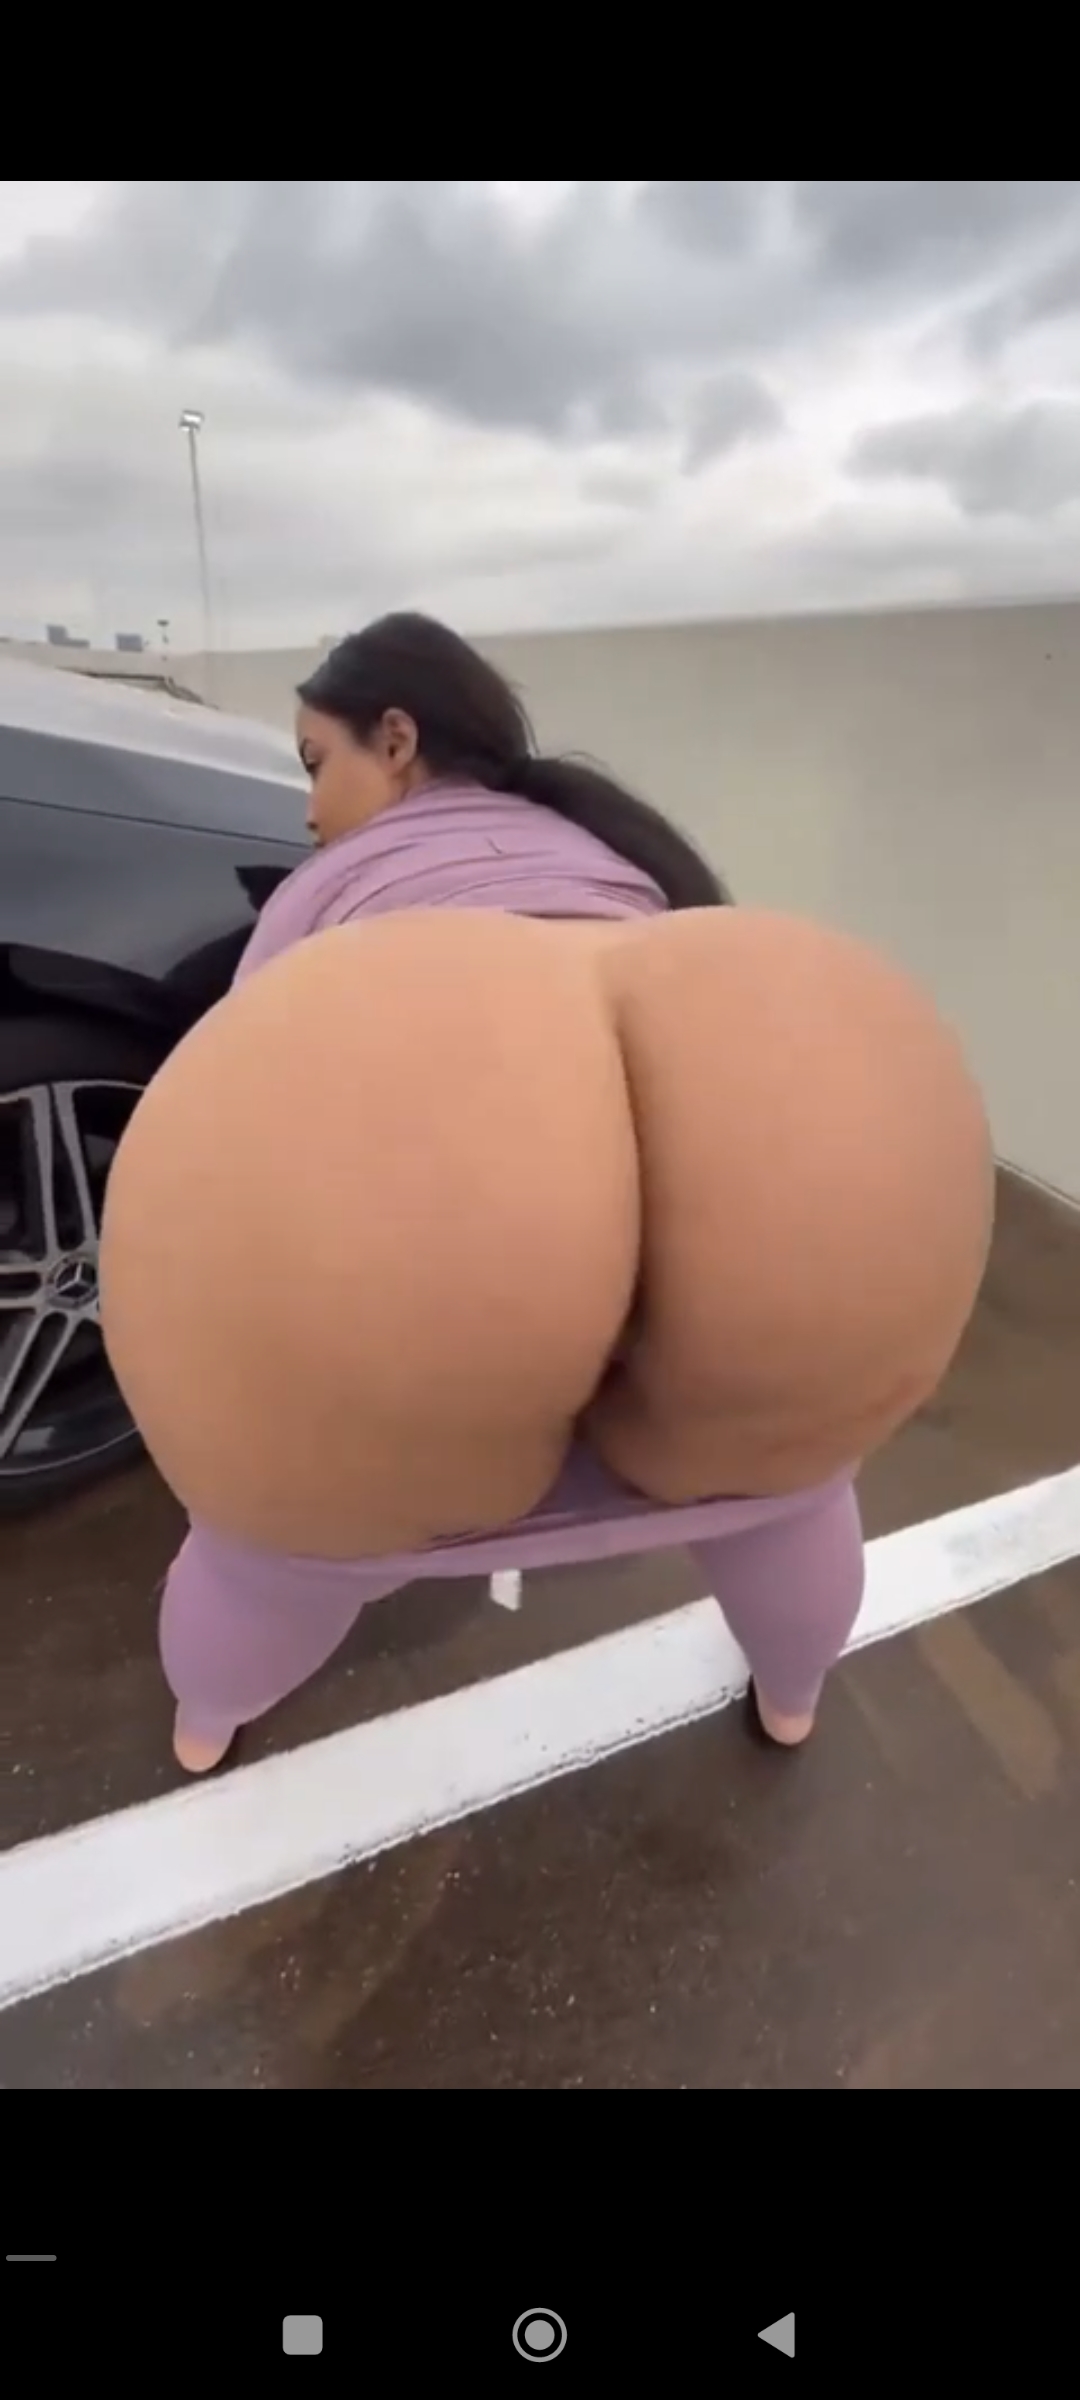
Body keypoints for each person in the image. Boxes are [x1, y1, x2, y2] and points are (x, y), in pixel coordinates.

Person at [147, 611, 866, 1775]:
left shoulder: (320, 900)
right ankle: (792, 1697)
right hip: (716, 1283)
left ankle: (205, 1720)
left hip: (433, 1310)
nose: (310, 809)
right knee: (785, 1495)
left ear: (396, 739)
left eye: (317, 763)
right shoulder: (628, 861)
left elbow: (236, 1126)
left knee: (273, 1544)